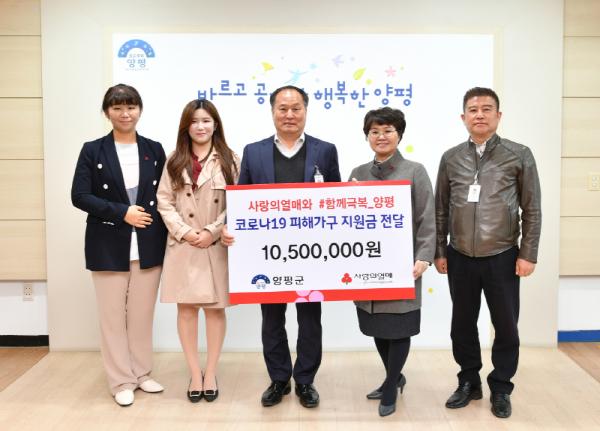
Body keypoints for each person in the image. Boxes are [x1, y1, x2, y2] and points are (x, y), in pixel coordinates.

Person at [221, 85, 341, 408]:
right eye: (283, 109)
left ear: (306, 111)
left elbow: (336, 201)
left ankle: (305, 381)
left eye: (296, 108)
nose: (289, 115)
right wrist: (229, 226)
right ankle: (278, 379)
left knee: (309, 320)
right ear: (272, 111)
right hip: (267, 257)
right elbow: (241, 199)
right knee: (272, 319)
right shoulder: (254, 151)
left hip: (312, 255)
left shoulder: (325, 151)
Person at [434, 87, 541, 419]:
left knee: (506, 325)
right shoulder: (451, 157)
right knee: (462, 324)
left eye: (486, 109)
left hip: (503, 254)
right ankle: (469, 381)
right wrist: (440, 250)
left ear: (498, 115)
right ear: (463, 117)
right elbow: (440, 209)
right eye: (473, 109)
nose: (479, 114)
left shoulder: (518, 154)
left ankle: (501, 387)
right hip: (460, 255)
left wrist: (528, 253)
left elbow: (532, 209)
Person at [71, 84, 167, 406]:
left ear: (140, 110)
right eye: (117, 108)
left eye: (131, 107)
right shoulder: (92, 150)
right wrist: (122, 212)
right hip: (108, 245)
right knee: (112, 317)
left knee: (141, 316)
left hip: (149, 244)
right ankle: (121, 380)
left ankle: (142, 373)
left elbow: (165, 195)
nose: (125, 113)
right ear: (106, 112)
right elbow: (79, 196)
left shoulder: (154, 149)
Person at [348, 107, 435, 417]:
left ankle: (389, 387)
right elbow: (346, 221)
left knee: (398, 327)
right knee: (377, 326)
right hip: (368, 266)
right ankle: (394, 378)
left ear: (399, 135)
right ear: (367, 137)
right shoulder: (358, 173)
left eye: (388, 131)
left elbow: (427, 218)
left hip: (402, 266)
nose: (381, 136)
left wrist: (424, 257)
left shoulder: (414, 171)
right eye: (374, 131)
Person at [156, 99, 239, 403]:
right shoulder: (174, 159)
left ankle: (211, 372)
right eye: (194, 121)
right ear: (186, 126)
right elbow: (164, 201)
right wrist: (186, 232)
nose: (200, 126)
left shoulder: (230, 159)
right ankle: (194, 373)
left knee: (215, 310)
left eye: (206, 120)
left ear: (215, 124)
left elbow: (238, 202)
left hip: (215, 245)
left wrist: (211, 231)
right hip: (183, 245)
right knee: (187, 310)